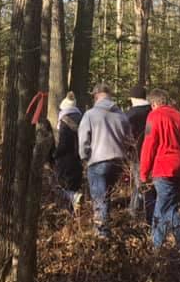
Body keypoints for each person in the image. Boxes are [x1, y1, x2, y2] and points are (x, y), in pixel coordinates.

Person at [140, 89, 180, 252]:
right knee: (164, 206)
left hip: (163, 167)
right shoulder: (179, 116)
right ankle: (155, 244)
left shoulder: (153, 117)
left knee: (168, 209)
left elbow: (149, 144)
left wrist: (143, 172)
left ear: (154, 103)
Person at [78, 83, 133, 238]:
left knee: (99, 199)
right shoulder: (121, 115)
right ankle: (105, 228)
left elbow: (83, 140)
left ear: (96, 96)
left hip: (98, 161)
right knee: (107, 197)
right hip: (118, 162)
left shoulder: (90, 114)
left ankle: (102, 235)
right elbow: (129, 141)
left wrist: (84, 157)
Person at [53, 92, 84, 213]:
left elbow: (63, 142)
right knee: (75, 183)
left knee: (62, 185)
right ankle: (76, 209)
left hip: (65, 158)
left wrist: (56, 154)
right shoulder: (82, 118)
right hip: (78, 157)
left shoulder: (64, 121)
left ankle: (70, 206)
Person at [126, 84, 152, 216]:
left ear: (133, 98)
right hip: (153, 153)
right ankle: (148, 211)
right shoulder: (152, 111)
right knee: (149, 184)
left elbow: (126, 137)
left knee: (138, 182)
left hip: (137, 154)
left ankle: (135, 210)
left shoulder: (130, 115)